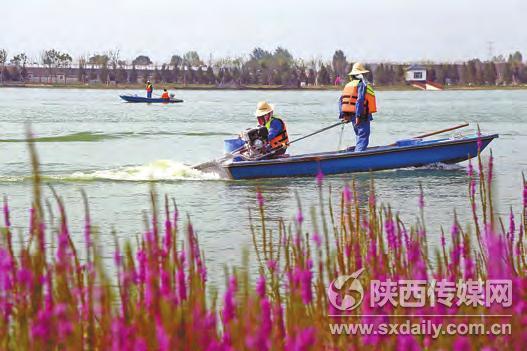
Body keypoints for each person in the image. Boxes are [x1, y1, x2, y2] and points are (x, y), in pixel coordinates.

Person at [339, 62, 377, 152]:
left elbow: (340, 101)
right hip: (361, 116)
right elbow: (359, 100)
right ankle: (358, 156)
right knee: (363, 137)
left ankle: (357, 153)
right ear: (361, 74)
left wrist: (344, 115)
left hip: (351, 115)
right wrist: (358, 116)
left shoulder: (348, 85)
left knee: (359, 136)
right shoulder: (361, 85)